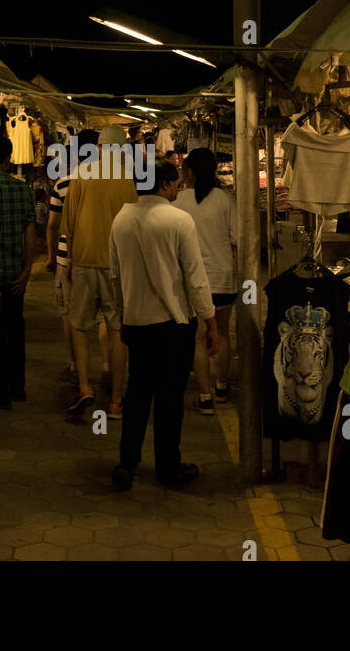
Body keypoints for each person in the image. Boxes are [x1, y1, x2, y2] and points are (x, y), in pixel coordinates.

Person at [108, 160, 218, 491]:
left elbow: (115, 277)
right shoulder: (179, 220)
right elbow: (195, 277)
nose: (179, 186)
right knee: (170, 399)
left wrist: (121, 316)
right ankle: (168, 468)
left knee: (138, 393)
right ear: (166, 184)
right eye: (176, 182)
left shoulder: (121, 219)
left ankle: (127, 463)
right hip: (173, 326)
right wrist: (210, 321)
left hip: (137, 323)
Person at [60, 124, 135, 419]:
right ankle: (116, 402)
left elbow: (68, 224)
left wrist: (66, 264)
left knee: (79, 325)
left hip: (83, 261)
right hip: (116, 266)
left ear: (99, 148)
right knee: (117, 330)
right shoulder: (127, 180)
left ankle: (85, 387)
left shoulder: (82, 175)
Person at [44, 129, 112, 387]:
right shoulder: (111, 182)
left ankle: (74, 367)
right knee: (107, 316)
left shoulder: (62, 183)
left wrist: (51, 256)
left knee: (71, 316)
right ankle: (107, 366)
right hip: (104, 256)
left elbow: (52, 224)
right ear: (97, 149)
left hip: (68, 258)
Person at [173, 147, 239, 414]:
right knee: (222, 333)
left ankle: (204, 396)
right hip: (222, 277)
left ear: (188, 170)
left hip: (192, 279)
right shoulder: (226, 199)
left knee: (199, 338)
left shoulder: (178, 200)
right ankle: (222, 386)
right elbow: (237, 237)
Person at [0, 137, 36, 408]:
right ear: (8, 159)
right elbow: (30, 232)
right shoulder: (22, 189)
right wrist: (27, 270)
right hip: (14, 276)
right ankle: (18, 387)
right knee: (15, 330)